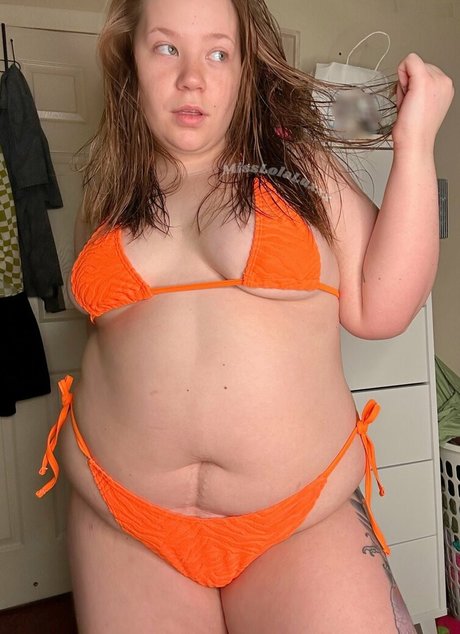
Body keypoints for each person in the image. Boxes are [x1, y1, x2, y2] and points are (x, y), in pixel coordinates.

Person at [35, 0, 454, 631]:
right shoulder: (110, 186)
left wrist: (415, 144)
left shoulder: (298, 168)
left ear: (244, 67)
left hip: (297, 520)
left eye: (218, 53)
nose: (192, 78)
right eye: (167, 48)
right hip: (125, 522)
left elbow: (383, 308)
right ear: (130, 59)